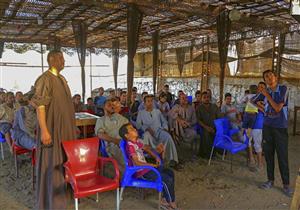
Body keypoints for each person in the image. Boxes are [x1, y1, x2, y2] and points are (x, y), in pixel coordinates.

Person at [32, 50, 77, 209]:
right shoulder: (45, 79)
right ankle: (51, 201)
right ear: (52, 60)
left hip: (66, 131)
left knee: (66, 162)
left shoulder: (62, 79)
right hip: (52, 130)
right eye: (61, 59)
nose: (64, 61)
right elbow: (40, 106)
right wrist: (44, 130)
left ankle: (65, 196)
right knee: (53, 163)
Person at [119, 123, 178, 210]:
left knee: (170, 172)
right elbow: (137, 162)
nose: (135, 129)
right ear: (127, 135)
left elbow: (146, 148)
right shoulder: (130, 146)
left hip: (146, 169)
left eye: (133, 128)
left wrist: (156, 156)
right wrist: (150, 165)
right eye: (131, 129)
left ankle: (165, 199)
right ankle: (170, 202)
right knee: (166, 179)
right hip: (141, 172)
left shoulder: (136, 142)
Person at [259, 70, 292, 197]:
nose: (268, 78)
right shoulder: (264, 92)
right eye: (266, 77)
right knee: (269, 155)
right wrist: (263, 109)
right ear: (265, 80)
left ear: (276, 77)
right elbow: (252, 102)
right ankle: (270, 180)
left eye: (270, 75)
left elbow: (278, 108)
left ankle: (286, 185)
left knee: (282, 156)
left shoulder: (283, 89)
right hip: (267, 127)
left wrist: (266, 95)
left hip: (280, 128)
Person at [136, 95, 180, 169]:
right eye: (148, 101)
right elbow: (138, 125)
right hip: (148, 133)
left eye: (151, 101)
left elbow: (164, 122)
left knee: (168, 137)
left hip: (159, 130)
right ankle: (153, 156)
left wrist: (165, 128)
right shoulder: (141, 113)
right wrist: (147, 128)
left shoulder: (157, 111)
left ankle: (171, 159)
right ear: (144, 103)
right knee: (147, 136)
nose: (150, 103)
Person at [94, 99, 129, 169]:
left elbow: (128, 127)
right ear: (104, 107)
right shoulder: (101, 120)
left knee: (138, 147)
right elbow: (100, 135)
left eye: (113, 105)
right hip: (113, 144)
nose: (112, 107)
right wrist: (116, 141)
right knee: (123, 153)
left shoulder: (120, 117)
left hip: (126, 140)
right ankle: (126, 175)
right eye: (109, 105)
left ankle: (139, 170)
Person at [196, 91, 222, 159]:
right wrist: (206, 127)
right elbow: (198, 120)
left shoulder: (214, 106)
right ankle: (208, 154)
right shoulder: (199, 108)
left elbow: (219, 117)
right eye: (204, 97)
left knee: (220, 133)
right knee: (206, 134)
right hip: (204, 127)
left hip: (214, 126)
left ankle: (217, 151)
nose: (206, 99)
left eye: (208, 97)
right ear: (201, 99)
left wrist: (217, 127)